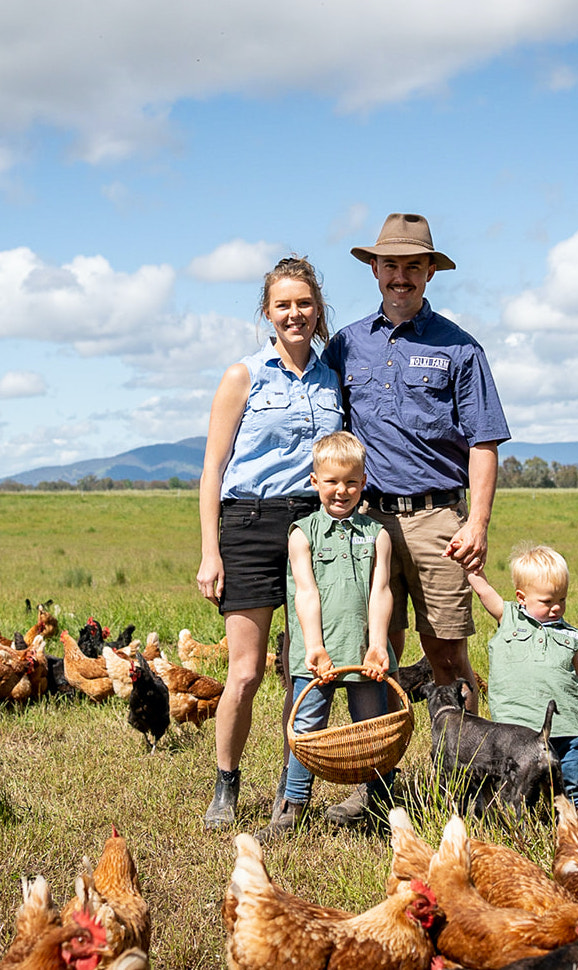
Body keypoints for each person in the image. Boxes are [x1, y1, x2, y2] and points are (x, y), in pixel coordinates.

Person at [322, 212, 510, 824]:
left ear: (431, 270)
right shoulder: (347, 342)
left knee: (446, 655)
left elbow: (484, 443)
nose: (400, 276)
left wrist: (476, 524)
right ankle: (374, 783)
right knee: (374, 650)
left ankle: (466, 781)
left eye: (412, 265)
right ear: (374, 270)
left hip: (436, 519)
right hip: (366, 521)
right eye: (389, 265)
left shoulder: (459, 346)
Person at [196, 256, 343, 831]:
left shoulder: (334, 377)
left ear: (318, 308)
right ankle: (227, 785)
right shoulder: (244, 376)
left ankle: (292, 788)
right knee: (246, 670)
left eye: (304, 303)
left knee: (304, 667)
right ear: (267, 312)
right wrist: (211, 553)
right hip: (249, 523)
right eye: (283, 304)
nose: (294, 314)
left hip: (312, 525)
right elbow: (212, 470)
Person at [255, 431, 397, 841]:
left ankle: (380, 803)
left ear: (363, 482)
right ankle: (292, 807)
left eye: (352, 482)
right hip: (314, 653)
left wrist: (376, 644)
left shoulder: (377, 534)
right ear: (315, 481)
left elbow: (380, 591)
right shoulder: (302, 534)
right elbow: (306, 592)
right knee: (307, 727)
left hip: (365, 652)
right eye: (332, 481)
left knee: (373, 728)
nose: (342, 490)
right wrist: (314, 646)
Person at [466, 543, 578, 816]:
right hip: (518, 726)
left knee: (575, 769)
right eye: (547, 601)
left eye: (562, 599)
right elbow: (484, 592)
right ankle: (522, 817)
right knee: (519, 776)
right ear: (521, 597)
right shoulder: (509, 619)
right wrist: (472, 570)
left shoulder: (569, 635)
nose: (556, 608)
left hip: (566, 725)